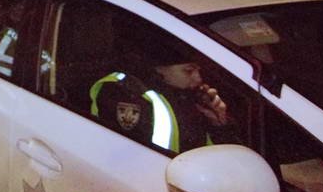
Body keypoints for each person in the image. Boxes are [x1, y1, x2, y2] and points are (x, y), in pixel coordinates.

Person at [90, 54, 235, 153]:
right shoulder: (127, 92)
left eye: (198, 70)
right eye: (189, 71)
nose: (198, 79)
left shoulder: (186, 97)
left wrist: (218, 124)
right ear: (159, 68)